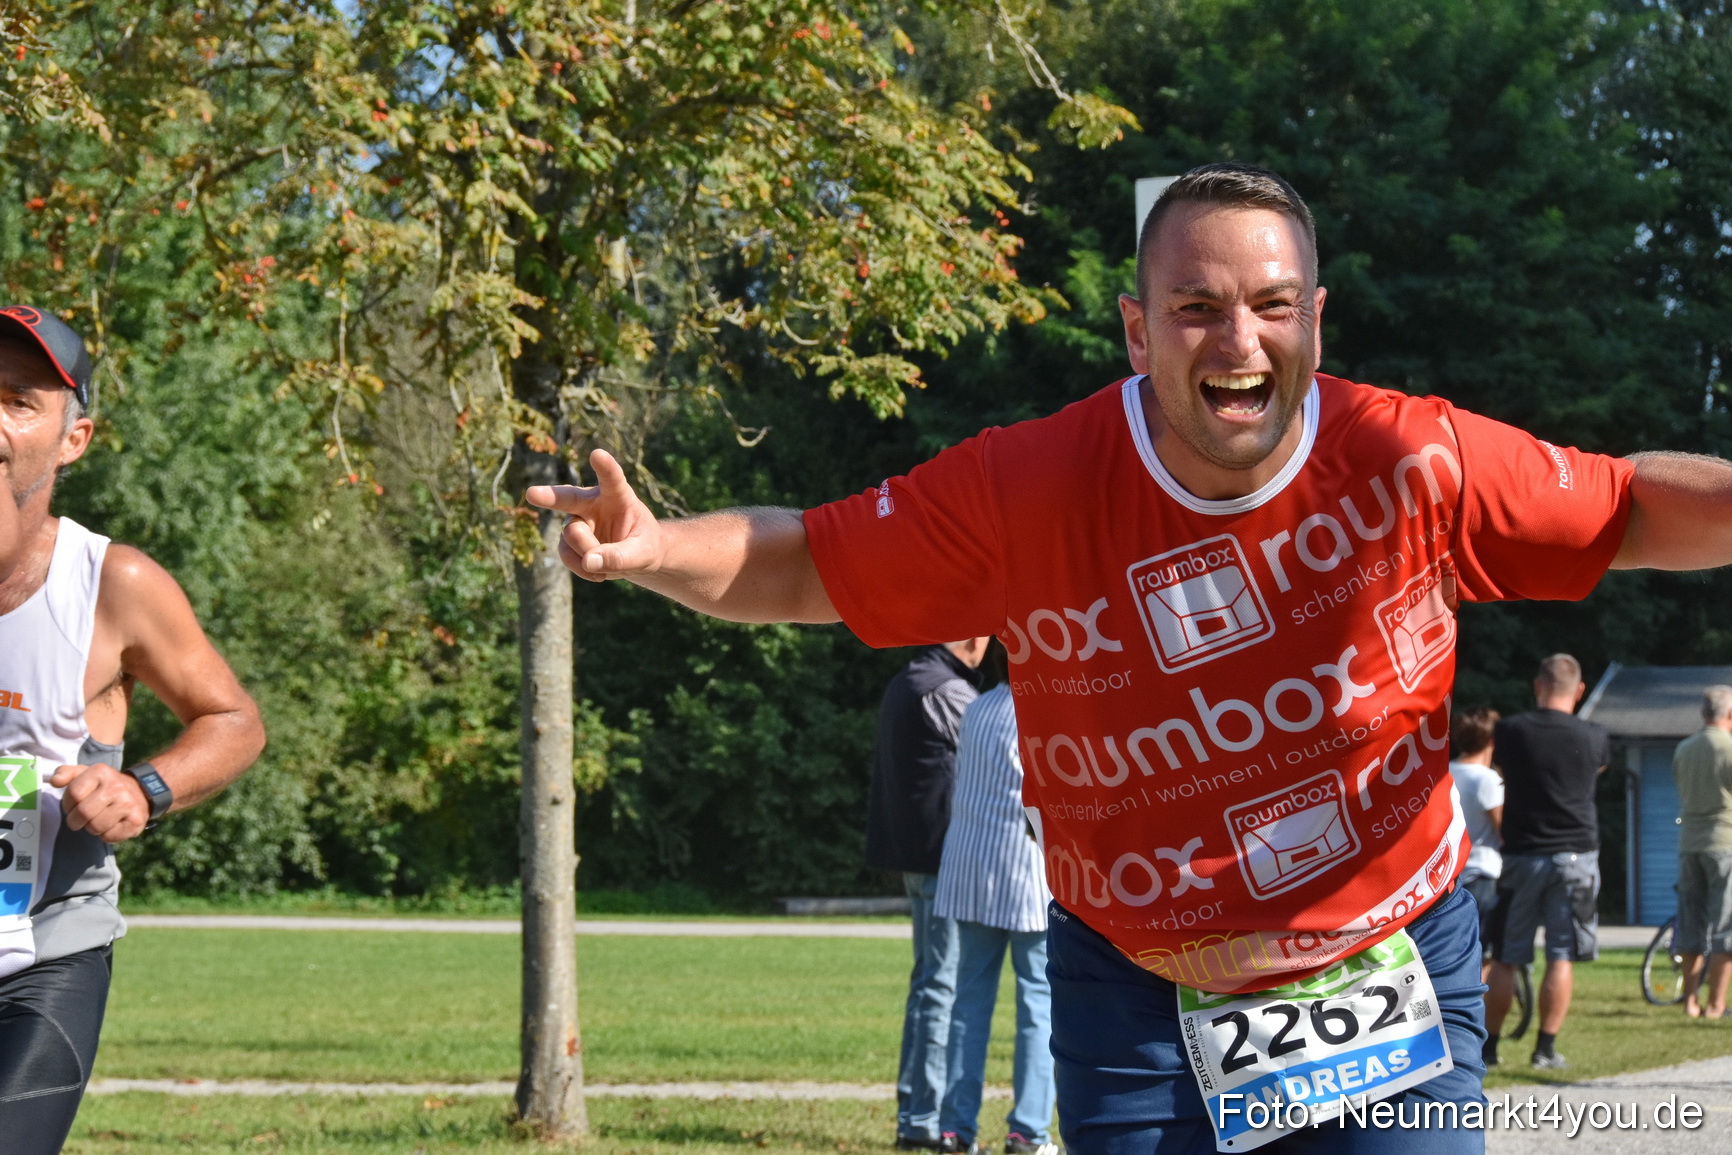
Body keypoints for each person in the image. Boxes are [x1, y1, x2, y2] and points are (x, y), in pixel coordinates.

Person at [527, 163, 1732, 1153]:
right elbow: (812, 564)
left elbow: (1624, 508)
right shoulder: (1030, 486)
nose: (1236, 338)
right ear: (1137, 329)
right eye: (1196, 307)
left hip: (1390, 957)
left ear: (1315, 319)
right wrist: (655, 548)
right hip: (1139, 990)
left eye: (1269, 303)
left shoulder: (1407, 454)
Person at [0, 307, 266, 1155]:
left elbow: (235, 721)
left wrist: (141, 789)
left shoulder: (111, 582)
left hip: (40, 957)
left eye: (16, 400)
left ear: (73, 439)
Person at [868, 636, 993, 1150]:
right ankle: (925, 1119)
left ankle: (912, 1114)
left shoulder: (908, 680)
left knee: (927, 985)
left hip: (913, 856)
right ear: (970, 636)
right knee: (941, 988)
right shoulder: (947, 690)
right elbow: (995, 752)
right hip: (944, 860)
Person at [933, 655, 1056, 1155]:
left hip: (971, 870)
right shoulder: (1040, 712)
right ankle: (1027, 1130)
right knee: (1038, 1008)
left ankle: (954, 1128)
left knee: (969, 1004)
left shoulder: (979, 707)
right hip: (1026, 875)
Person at [1484, 654, 1609, 1071]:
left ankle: (1490, 1048)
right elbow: (1600, 770)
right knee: (1561, 954)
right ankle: (1545, 1049)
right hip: (1576, 857)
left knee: (1506, 955)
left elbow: (1496, 767)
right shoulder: (1594, 735)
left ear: (1537, 685)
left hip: (1521, 856)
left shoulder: (1510, 731)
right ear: (1579, 690)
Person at [1672, 684, 1732, 1019]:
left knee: (1691, 924)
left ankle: (1690, 1001)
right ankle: (1716, 1005)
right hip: (1724, 842)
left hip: (1689, 843)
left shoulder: (1684, 748)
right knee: (1725, 927)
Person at [1446, 707, 1502, 979]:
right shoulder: (1487, 780)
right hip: (1482, 873)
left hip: (1450, 874)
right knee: (1483, 954)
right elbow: (1505, 831)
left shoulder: (1443, 772)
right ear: (1491, 741)